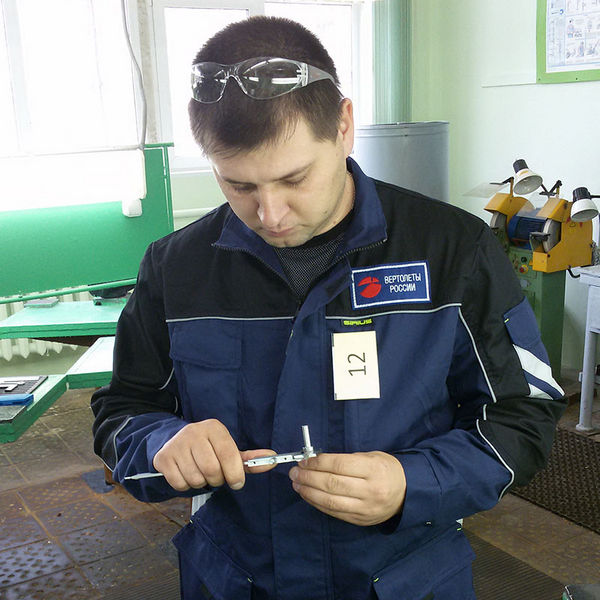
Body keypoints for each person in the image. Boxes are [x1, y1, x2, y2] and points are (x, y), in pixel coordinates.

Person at [91, 16, 566, 600]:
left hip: (405, 580)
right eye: (239, 186)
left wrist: (412, 482)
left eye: (294, 178)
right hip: (237, 579)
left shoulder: (453, 251)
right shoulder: (177, 268)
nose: (270, 215)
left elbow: (523, 414)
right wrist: (161, 443)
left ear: (343, 126)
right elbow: (123, 411)